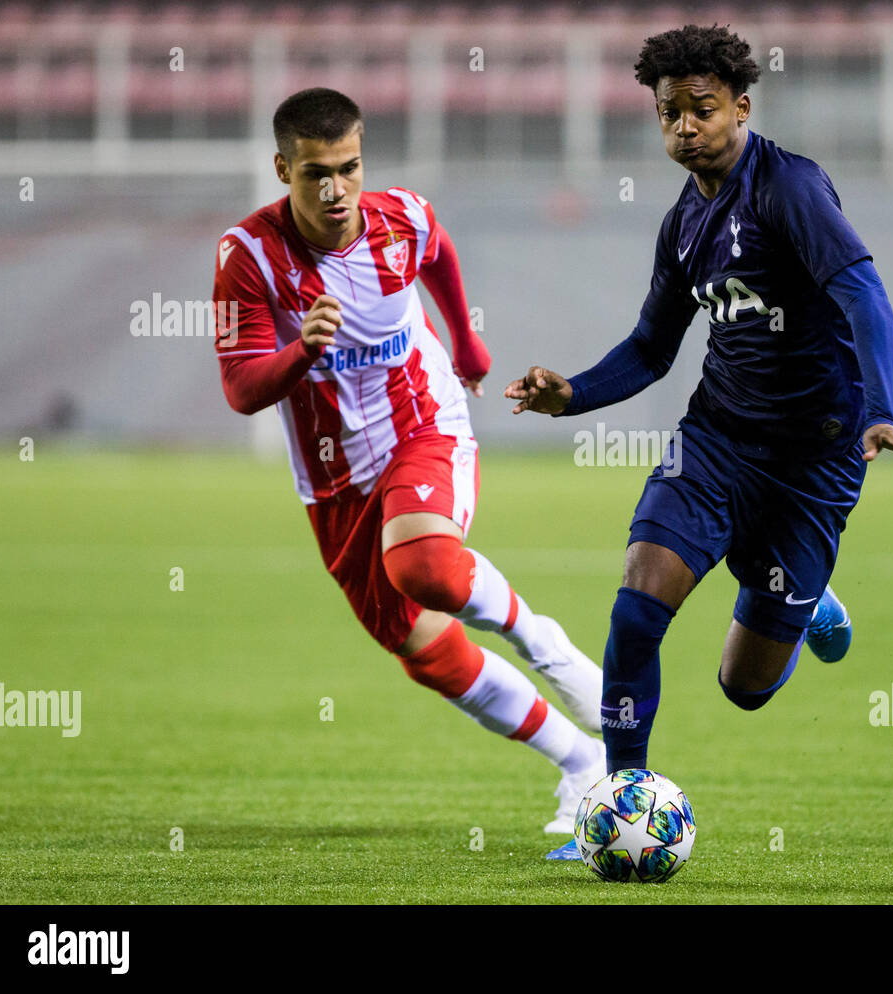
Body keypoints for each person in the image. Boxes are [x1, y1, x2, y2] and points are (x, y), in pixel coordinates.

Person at [503, 27, 893, 856]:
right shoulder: (683, 224)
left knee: (744, 687)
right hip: (718, 441)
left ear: (741, 106)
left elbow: (866, 296)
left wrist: (882, 408)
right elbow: (652, 348)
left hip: (817, 458)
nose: (685, 127)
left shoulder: (790, 189)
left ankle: (804, 611)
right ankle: (619, 799)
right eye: (669, 113)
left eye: (702, 109)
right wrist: (572, 397)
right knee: (636, 607)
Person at [212, 87, 604, 834]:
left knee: (422, 565)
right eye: (315, 174)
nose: (336, 191)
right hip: (334, 481)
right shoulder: (250, 257)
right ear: (282, 169)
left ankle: (542, 643)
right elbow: (240, 389)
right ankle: (582, 765)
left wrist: (466, 341)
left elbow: (440, 250)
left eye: (349, 168)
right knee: (423, 650)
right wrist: (303, 353)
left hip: (423, 423)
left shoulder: (400, 218)